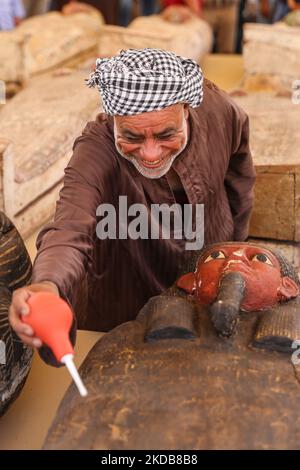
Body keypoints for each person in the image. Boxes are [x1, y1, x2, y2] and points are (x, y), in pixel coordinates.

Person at [9, 48, 256, 355]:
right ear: (113, 119)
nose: (151, 154)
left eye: (167, 134)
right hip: (126, 302)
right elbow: (68, 231)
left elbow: (241, 176)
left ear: (187, 110)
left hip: (211, 284)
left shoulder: (219, 111)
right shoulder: (96, 151)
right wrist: (47, 285)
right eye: (133, 137)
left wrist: (235, 251)